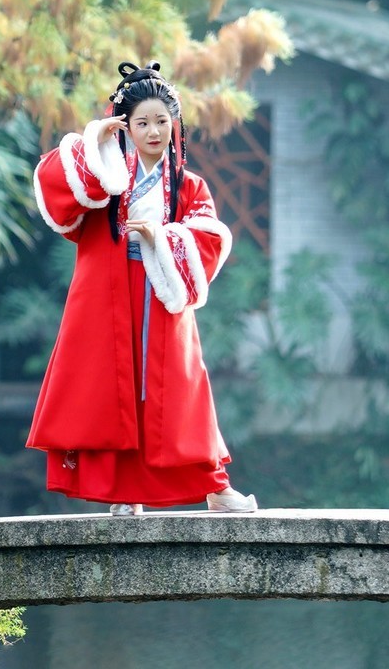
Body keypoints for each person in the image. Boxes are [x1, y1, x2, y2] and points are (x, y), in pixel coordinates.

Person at [26, 60, 257, 516]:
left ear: (176, 125)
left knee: (181, 391)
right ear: (126, 126)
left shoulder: (188, 185)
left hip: (161, 294)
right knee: (113, 393)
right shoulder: (106, 178)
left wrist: (161, 238)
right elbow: (56, 190)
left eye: (162, 121)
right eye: (142, 122)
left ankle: (215, 486)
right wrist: (96, 140)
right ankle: (123, 493)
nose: (153, 131)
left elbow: (209, 238)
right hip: (105, 297)